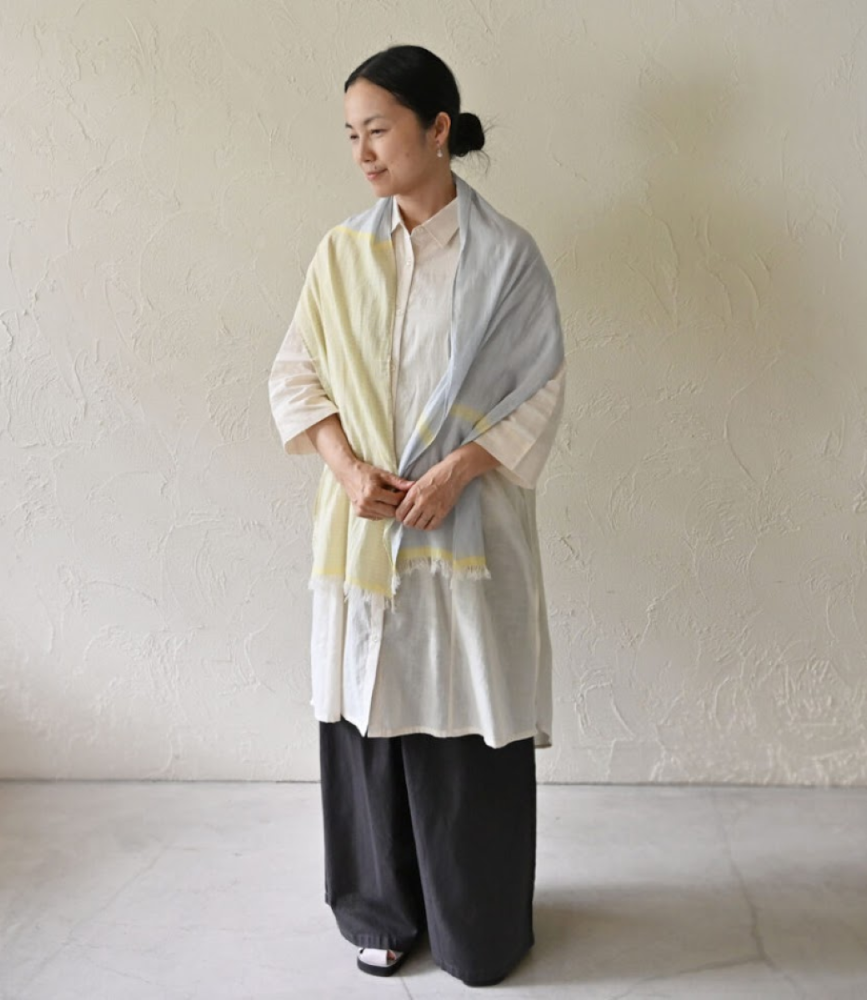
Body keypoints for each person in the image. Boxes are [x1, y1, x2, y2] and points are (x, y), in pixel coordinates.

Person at [268, 44, 566, 988]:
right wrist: (348, 468)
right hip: (363, 529)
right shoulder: (341, 253)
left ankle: (477, 921)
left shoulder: (507, 259)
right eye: (350, 135)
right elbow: (295, 377)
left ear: (438, 130)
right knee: (367, 716)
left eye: (379, 130)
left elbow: (539, 389)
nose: (361, 152)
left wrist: (460, 471)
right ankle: (379, 910)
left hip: (465, 531)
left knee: (464, 717)